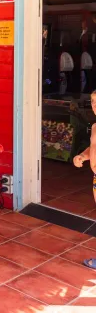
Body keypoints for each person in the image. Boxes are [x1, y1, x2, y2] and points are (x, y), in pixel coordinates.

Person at [73, 90, 96, 269]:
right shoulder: (95, 126)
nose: (95, 105)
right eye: (93, 102)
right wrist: (81, 156)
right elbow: (92, 148)